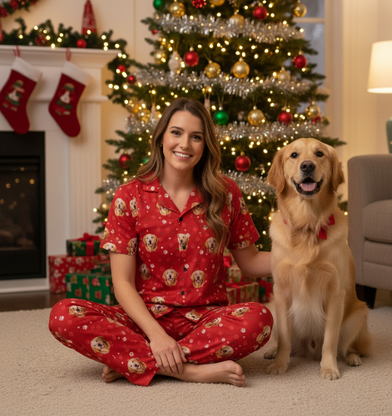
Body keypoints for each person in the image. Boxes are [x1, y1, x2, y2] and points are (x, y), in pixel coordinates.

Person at [49, 97, 273, 387]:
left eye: (196, 137)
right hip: (144, 320)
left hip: (206, 319)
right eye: (176, 133)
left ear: (205, 146)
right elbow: (123, 284)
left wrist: (306, 254)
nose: (185, 144)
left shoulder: (225, 193)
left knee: (259, 319)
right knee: (63, 316)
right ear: (161, 137)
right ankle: (190, 371)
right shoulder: (129, 196)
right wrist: (156, 336)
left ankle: (134, 362)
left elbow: (251, 262)